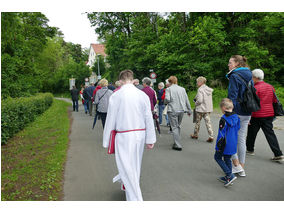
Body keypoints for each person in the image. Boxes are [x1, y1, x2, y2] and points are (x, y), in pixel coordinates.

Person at [103, 70, 156, 201]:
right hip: (140, 133)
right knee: (135, 165)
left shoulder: (116, 96)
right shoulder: (142, 94)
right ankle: (127, 187)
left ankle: (135, 199)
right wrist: (150, 138)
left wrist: (106, 141)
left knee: (126, 166)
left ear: (120, 81)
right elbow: (148, 117)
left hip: (124, 136)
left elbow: (110, 119)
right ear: (132, 80)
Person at [246, 69, 284, 162]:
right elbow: (275, 101)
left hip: (256, 115)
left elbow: (251, 103)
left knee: (251, 133)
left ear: (254, 77)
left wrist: (249, 117)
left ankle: (250, 150)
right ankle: (278, 154)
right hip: (269, 114)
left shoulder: (254, 88)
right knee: (270, 134)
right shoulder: (270, 87)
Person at [227, 55, 252, 177]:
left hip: (236, 111)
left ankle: (236, 166)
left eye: (230, 62)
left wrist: (229, 112)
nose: (228, 65)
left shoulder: (234, 76)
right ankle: (241, 167)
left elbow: (232, 96)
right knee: (241, 139)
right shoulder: (249, 75)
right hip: (247, 111)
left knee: (229, 138)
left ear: (237, 64)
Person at [214, 98, 240, 187]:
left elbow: (221, 134)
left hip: (224, 143)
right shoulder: (236, 117)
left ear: (224, 108)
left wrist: (218, 146)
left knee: (217, 157)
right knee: (227, 158)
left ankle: (230, 175)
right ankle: (228, 177)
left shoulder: (223, 119)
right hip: (233, 142)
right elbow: (238, 128)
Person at [164, 76, 192, 151]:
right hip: (181, 110)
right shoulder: (182, 89)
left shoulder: (168, 89)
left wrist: (165, 103)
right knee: (178, 126)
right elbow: (186, 100)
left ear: (169, 82)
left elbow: (167, 99)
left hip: (173, 110)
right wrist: (189, 110)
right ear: (176, 81)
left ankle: (177, 144)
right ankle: (176, 141)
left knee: (174, 127)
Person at [190, 76, 214, 142]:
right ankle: (211, 136)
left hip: (201, 109)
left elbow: (200, 100)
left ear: (200, 82)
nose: (197, 83)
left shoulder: (200, 89)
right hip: (207, 109)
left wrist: (196, 103)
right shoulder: (208, 89)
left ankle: (195, 134)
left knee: (198, 122)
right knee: (208, 122)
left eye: (197, 82)